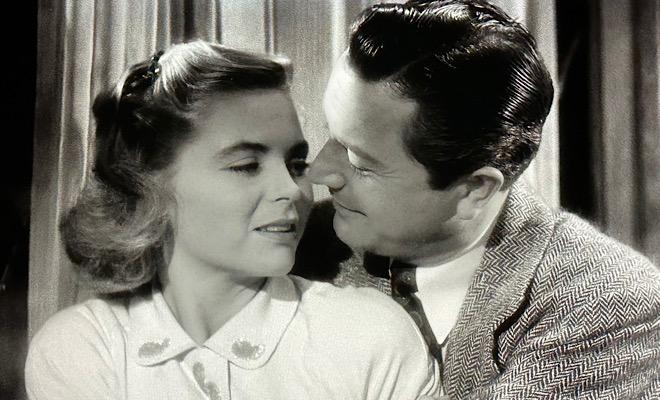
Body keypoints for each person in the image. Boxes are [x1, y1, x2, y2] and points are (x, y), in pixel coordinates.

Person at [25, 40, 441, 400]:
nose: (294, 190)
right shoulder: (86, 346)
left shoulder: (367, 333)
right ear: (147, 183)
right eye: (246, 166)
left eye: (296, 164)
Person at [298, 1, 660, 398]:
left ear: (475, 189)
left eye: (360, 163)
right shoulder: (300, 245)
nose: (320, 172)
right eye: (331, 135)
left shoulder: (609, 303)